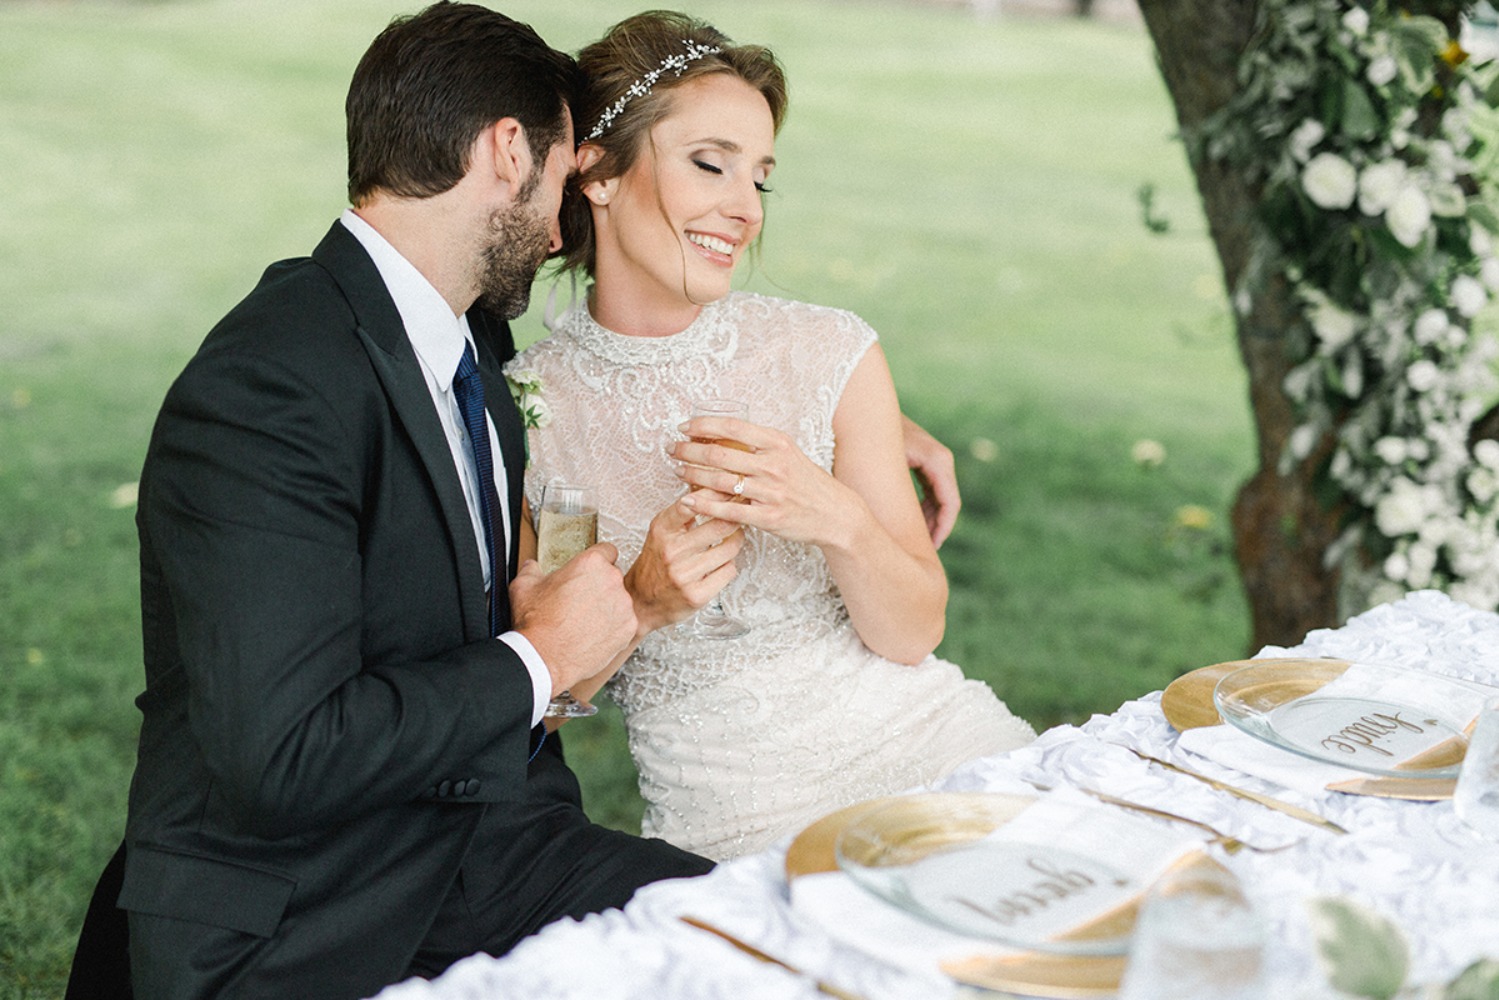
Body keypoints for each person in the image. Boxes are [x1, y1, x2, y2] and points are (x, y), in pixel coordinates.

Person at [110, 5, 717, 998]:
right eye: (561, 185)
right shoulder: (266, 390)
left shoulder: (472, 339)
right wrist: (541, 657)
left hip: (496, 852)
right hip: (306, 919)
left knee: (770, 938)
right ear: (505, 150)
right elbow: (282, 757)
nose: (562, 227)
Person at [508, 10, 1036, 862]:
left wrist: (834, 515)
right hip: (734, 820)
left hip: (938, 750)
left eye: (760, 178)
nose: (743, 208)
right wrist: (641, 603)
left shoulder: (829, 351)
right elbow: (559, 695)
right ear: (597, 172)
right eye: (710, 164)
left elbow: (912, 634)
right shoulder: (537, 408)